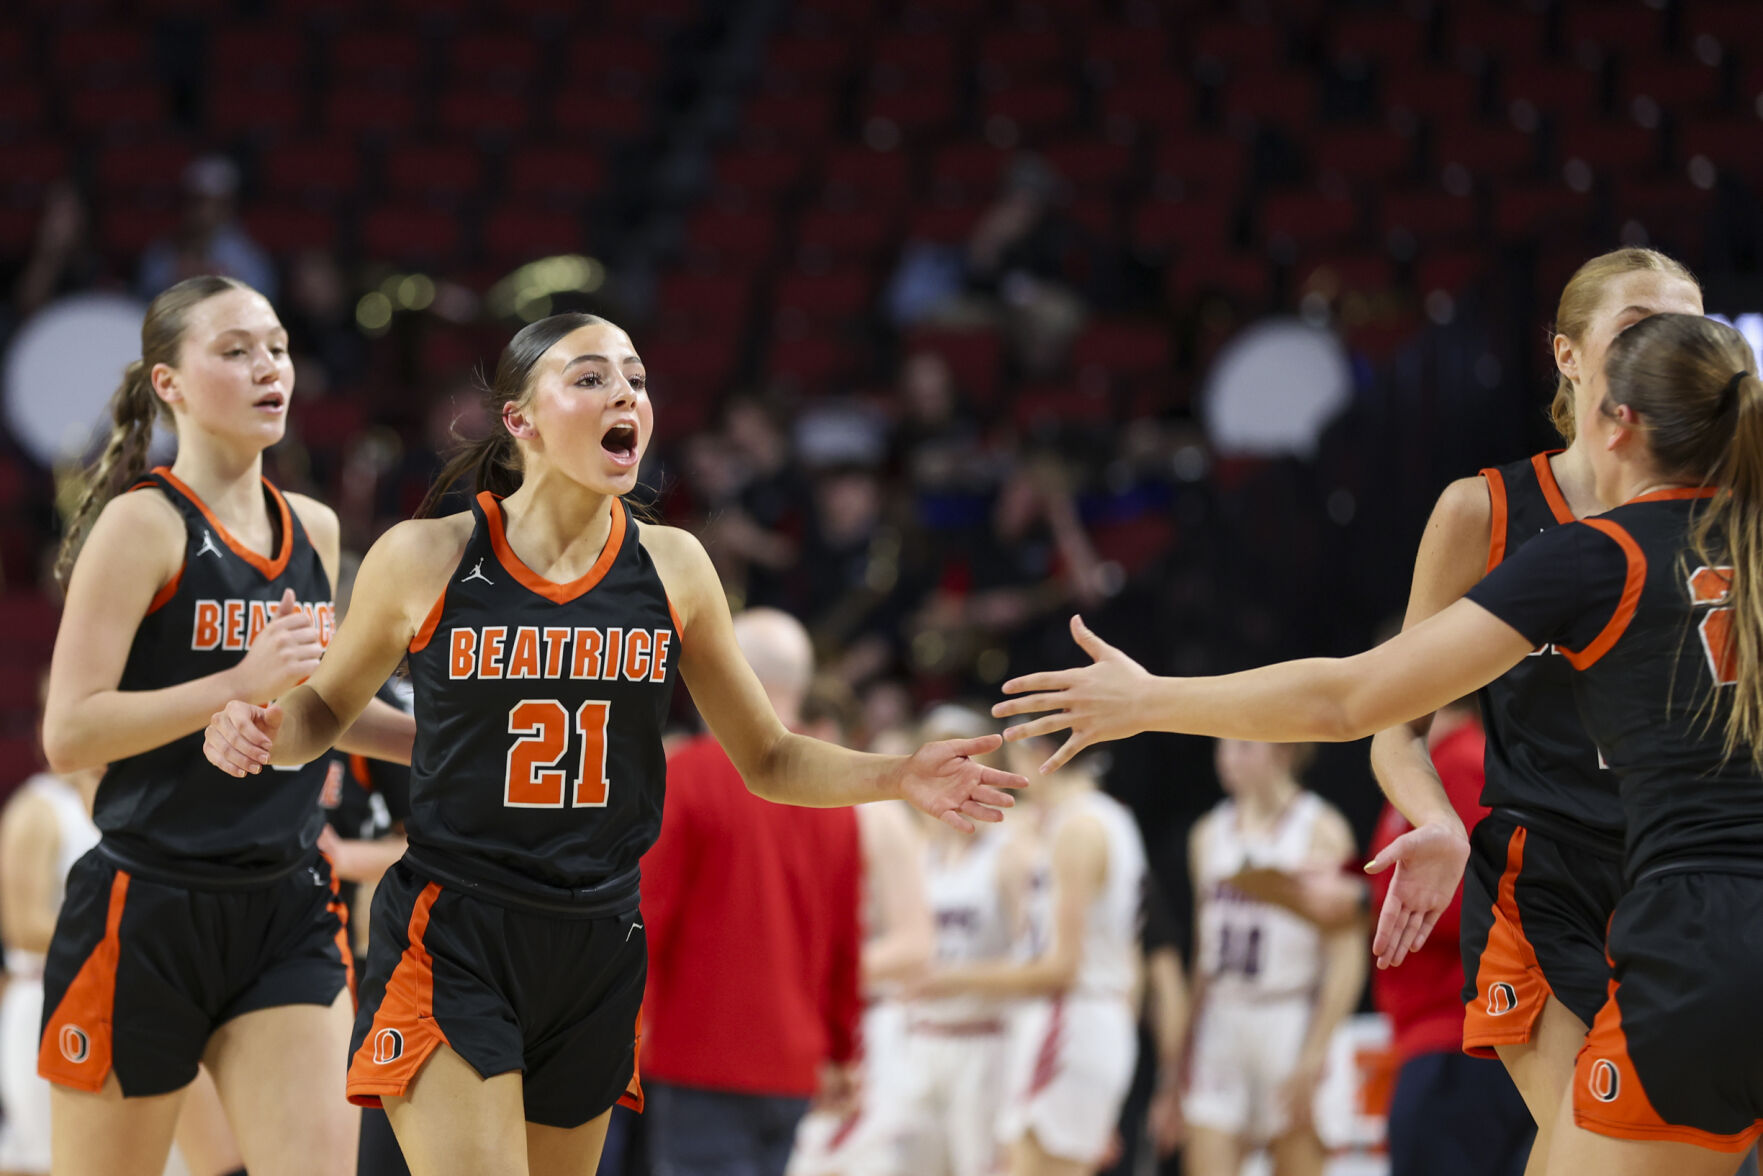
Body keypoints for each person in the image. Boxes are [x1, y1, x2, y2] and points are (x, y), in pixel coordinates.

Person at [200, 311, 1024, 1176]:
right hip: (459, 928)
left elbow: (770, 759)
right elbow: (322, 714)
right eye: (589, 377)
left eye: (633, 376)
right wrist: (258, 726)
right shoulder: (427, 555)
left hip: (597, 941)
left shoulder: (674, 567)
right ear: (520, 420)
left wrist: (900, 775)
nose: (623, 393)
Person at [994, 312, 1763, 1172]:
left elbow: (1349, 698)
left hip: (1699, 942)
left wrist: (1149, 699)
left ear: (1615, 421)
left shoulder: (1599, 554)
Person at [38, 275, 413, 1176]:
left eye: (277, 348)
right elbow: (69, 733)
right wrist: (233, 683)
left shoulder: (314, 529)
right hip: (146, 903)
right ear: (168, 383)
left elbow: (316, 709)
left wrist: (450, 744)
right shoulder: (142, 525)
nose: (268, 368)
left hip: (285, 902)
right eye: (235, 351)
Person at [1361, 247, 1703, 1171]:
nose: (1664, 344)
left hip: (1696, 880)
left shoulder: (1728, 514)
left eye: (1685, 326)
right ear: (1567, 356)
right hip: (1544, 881)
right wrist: (1435, 818)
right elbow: (1390, 716)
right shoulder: (1486, 509)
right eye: (1637, 325)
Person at [639, 607, 863, 1176]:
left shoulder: (688, 778)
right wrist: (841, 1052)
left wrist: (615, 1033)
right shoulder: (835, 795)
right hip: (793, 1065)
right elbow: (844, 941)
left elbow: (645, 921)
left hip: (699, 1057)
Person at [915, 734, 1146, 1176]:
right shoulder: (1104, 818)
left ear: (1040, 755)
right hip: (1094, 1019)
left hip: (1069, 1021)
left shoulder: (1078, 829)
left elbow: (1060, 967)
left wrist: (952, 978)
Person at [1182, 742, 1364, 1176]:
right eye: (1223, 744)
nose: (1227, 756)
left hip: (1291, 1013)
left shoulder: (1321, 828)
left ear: (1284, 751)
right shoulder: (1207, 834)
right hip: (1222, 1019)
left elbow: (1347, 955)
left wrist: (1316, 1050)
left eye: (1244, 746)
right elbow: (1201, 957)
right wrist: (1179, 1061)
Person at [895, 705, 1030, 1176]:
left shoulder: (1012, 851)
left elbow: (1036, 967)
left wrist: (952, 980)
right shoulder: (918, 849)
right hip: (919, 1038)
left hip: (985, 1043)